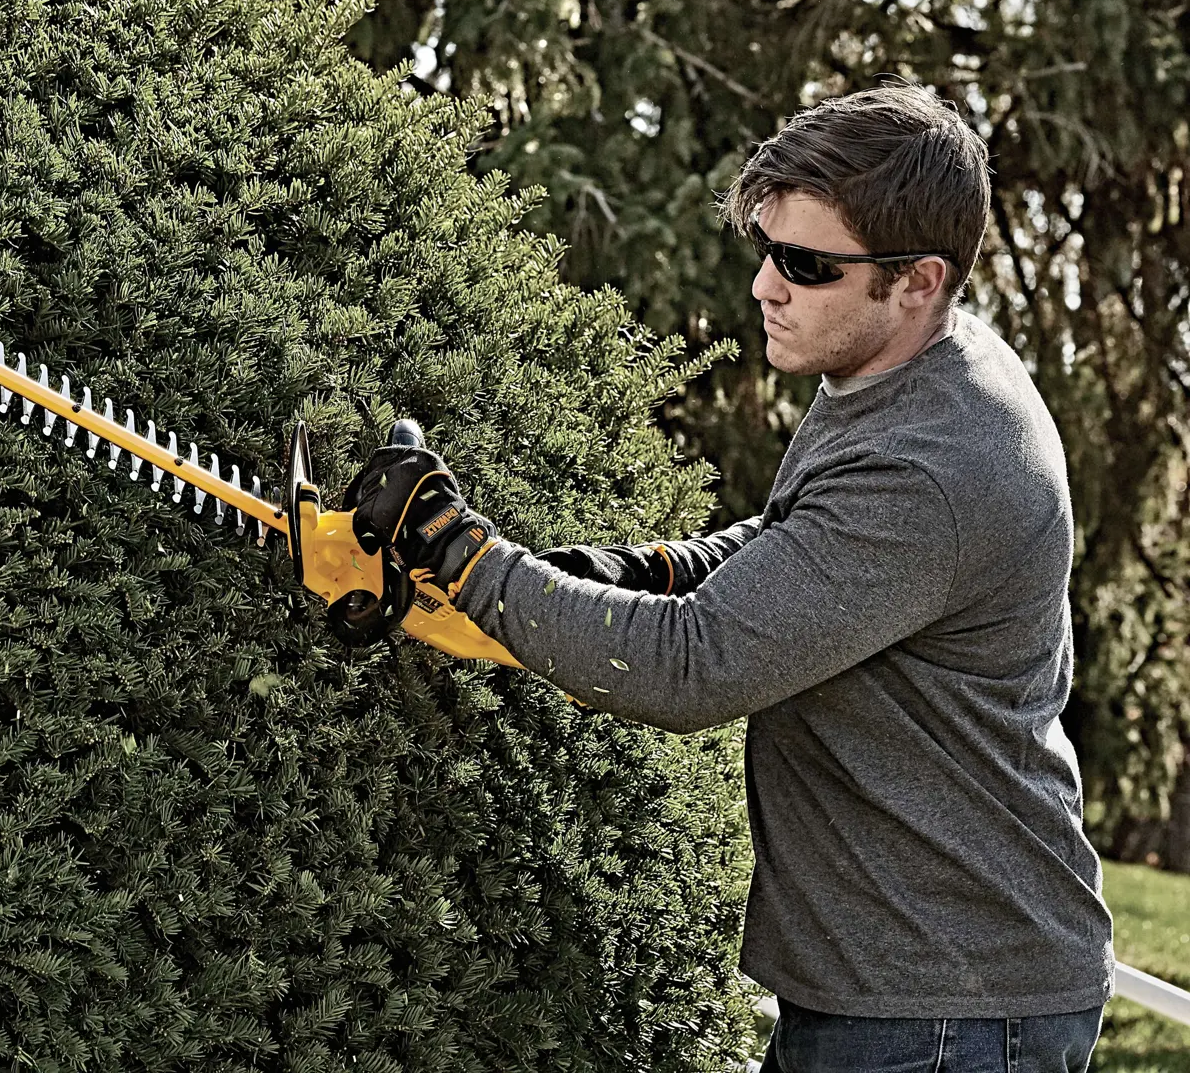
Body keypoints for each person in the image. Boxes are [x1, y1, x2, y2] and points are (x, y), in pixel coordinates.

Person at [342, 84, 1113, 1072]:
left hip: (945, 1018)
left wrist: (458, 550)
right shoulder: (902, 370)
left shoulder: (935, 461)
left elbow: (690, 669)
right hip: (909, 988)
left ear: (918, 279)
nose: (764, 286)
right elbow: (799, 536)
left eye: (805, 264)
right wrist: (640, 570)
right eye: (765, 247)